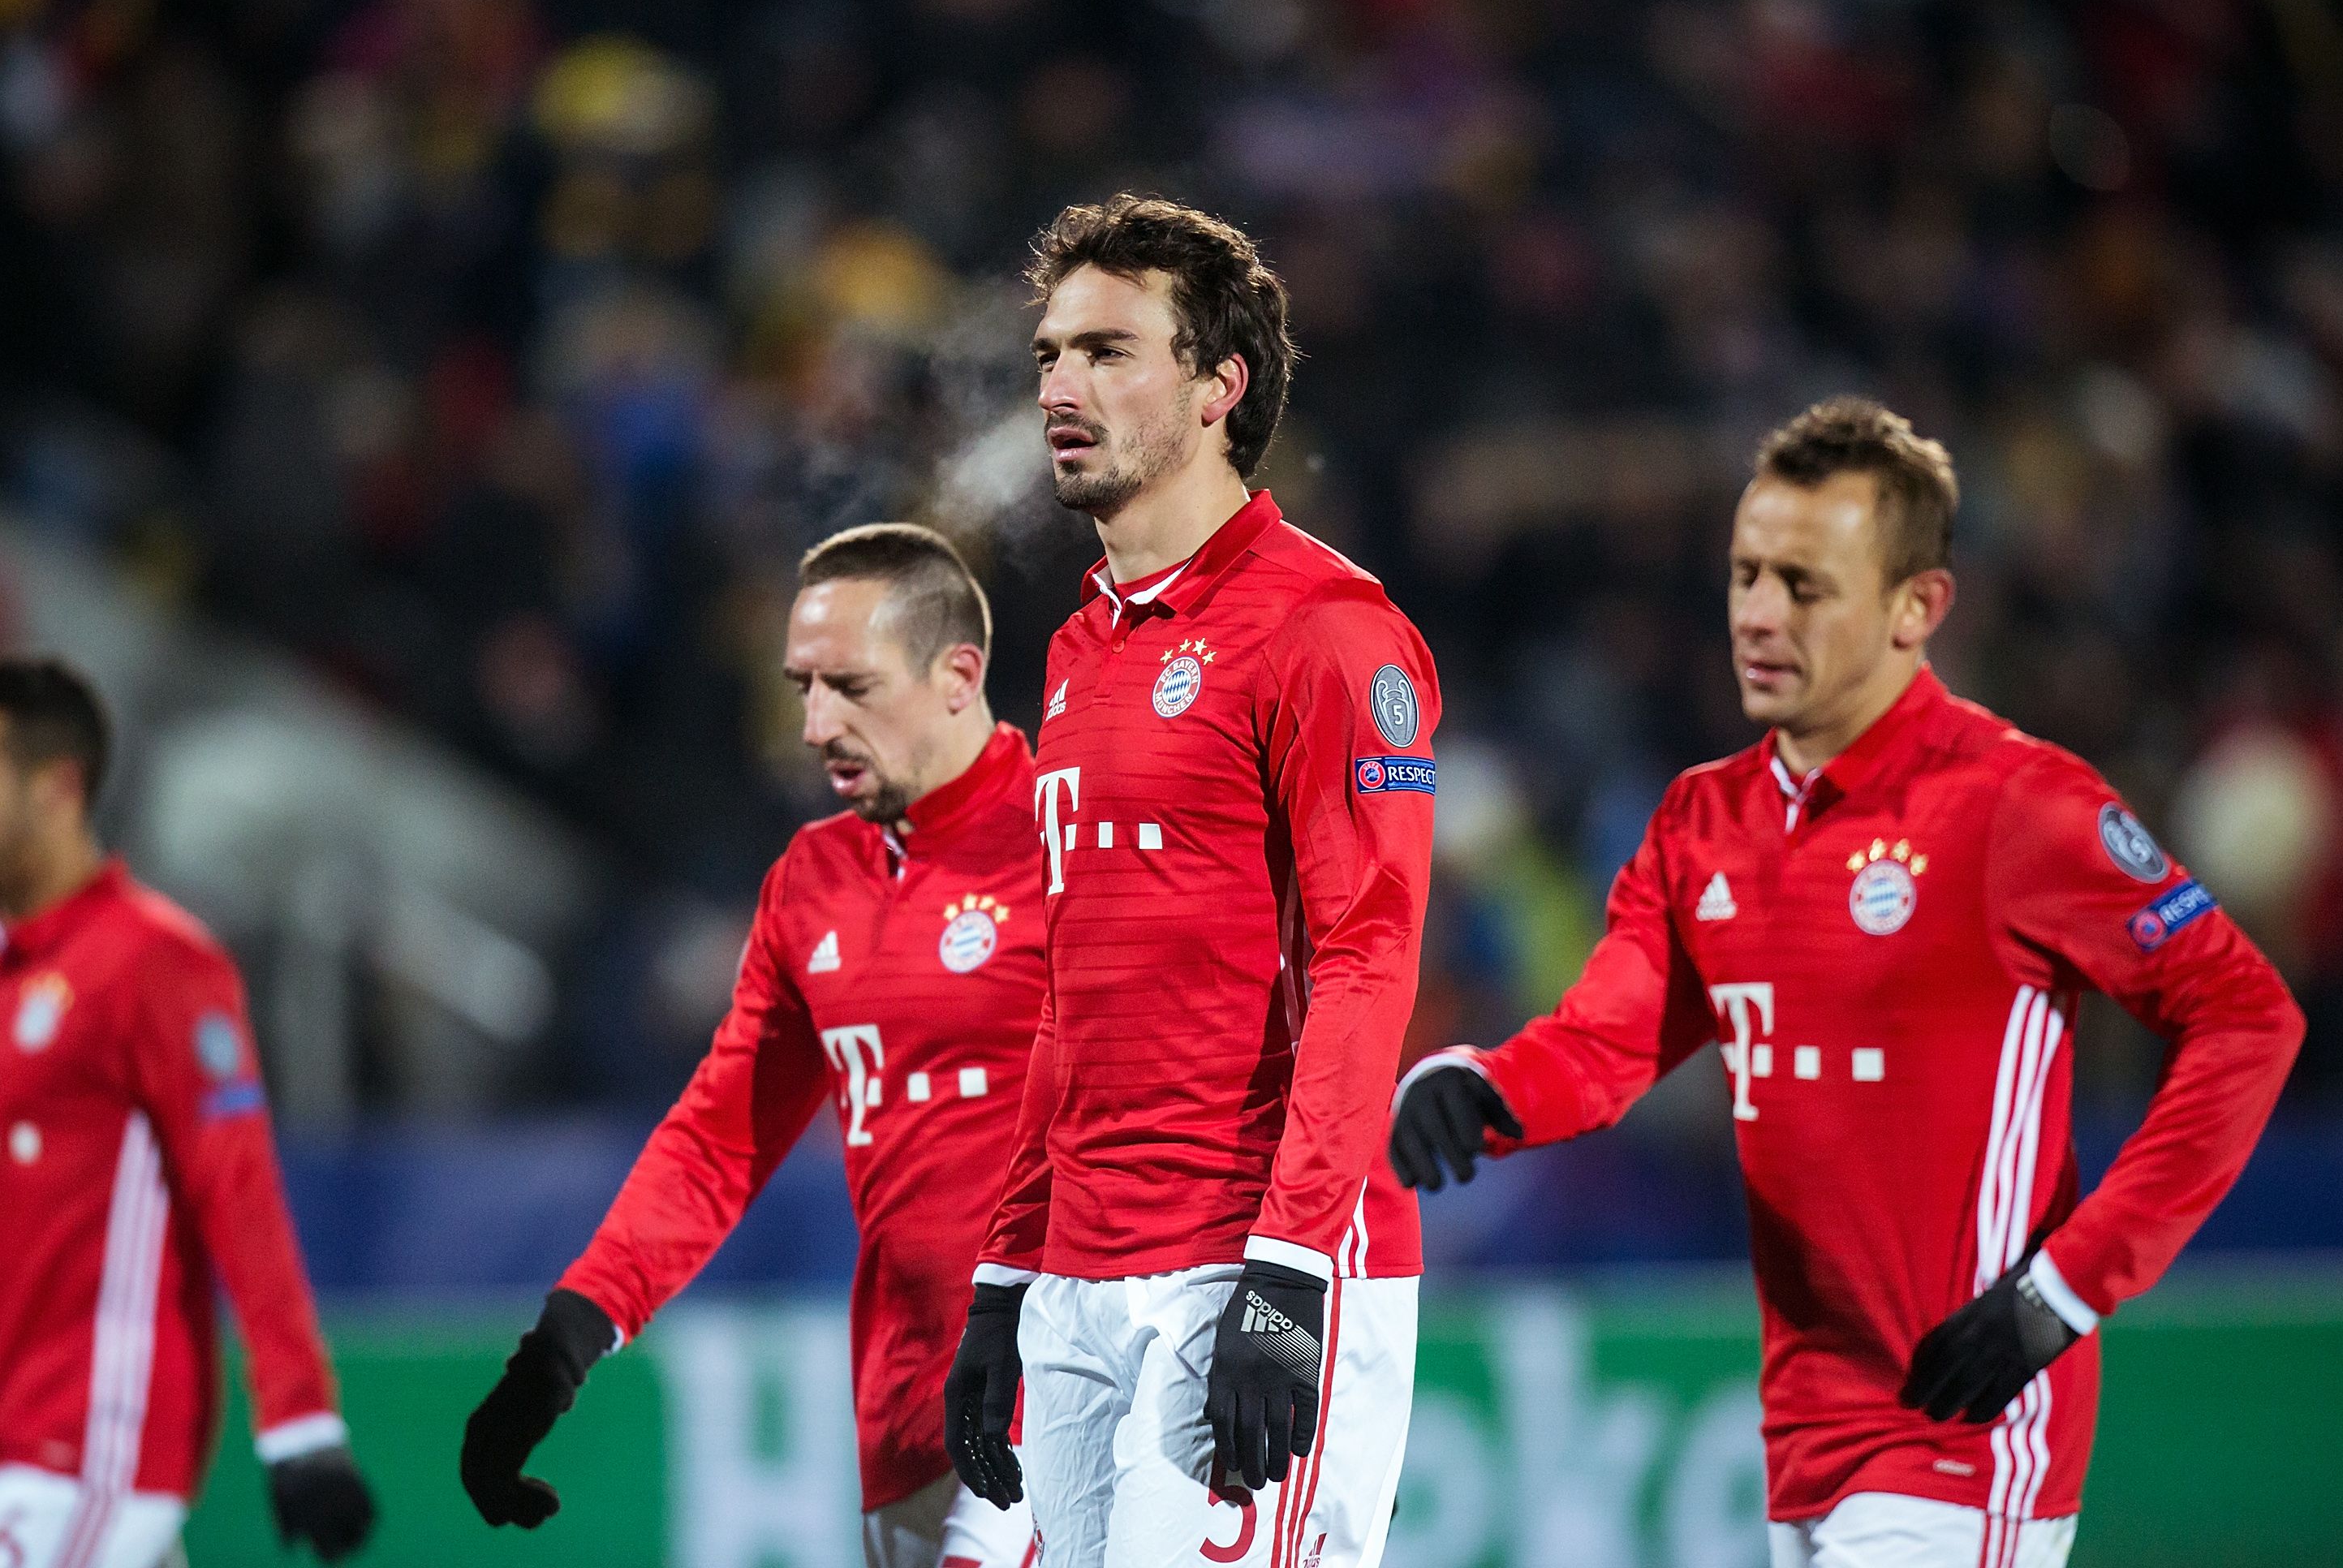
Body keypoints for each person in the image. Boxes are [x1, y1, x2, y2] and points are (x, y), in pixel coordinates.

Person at [1389, 397, 2306, 1568]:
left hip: (1967, 1424)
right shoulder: (1700, 823)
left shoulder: (2018, 809)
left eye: (1807, 585)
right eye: (1746, 576)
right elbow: (1607, 1039)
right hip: (1804, 1436)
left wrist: (2068, 1287)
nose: (1760, 617)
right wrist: (1485, 1084)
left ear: (1917, 608)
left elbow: (2247, 1018)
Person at [942, 195, 1438, 1568]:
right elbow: (1070, 995)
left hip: (1250, 1254)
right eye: (1049, 355)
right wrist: (1004, 1277)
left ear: (1220, 386)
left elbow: (1367, 960)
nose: (1060, 387)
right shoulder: (1080, 650)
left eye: (1110, 352)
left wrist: (1283, 1283)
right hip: (1080, 1274)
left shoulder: (1331, 632)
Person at [459, 523, 1045, 1568]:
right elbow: (716, 1142)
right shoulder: (812, 882)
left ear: (960, 675)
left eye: (850, 687)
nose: (815, 724)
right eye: (802, 687)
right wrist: (564, 1339)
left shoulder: (1077, 843)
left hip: (1070, 1398)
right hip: (906, 1417)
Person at [0, 658, 376, 1567]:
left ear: (56, 787)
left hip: (98, 1444)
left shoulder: (154, 963)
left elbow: (237, 1190)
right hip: (29, 1448)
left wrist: (300, 1418)